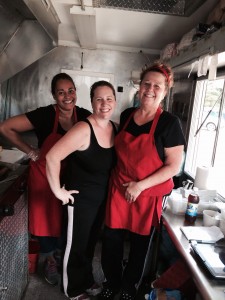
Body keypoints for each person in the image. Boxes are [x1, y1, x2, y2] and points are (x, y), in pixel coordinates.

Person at [99, 62, 186, 300]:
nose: (150, 89)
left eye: (157, 85)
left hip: (147, 194)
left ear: (165, 91)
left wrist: (140, 185)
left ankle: (129, 288)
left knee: (139, 246)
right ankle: (112, 282)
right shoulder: (127, 115)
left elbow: (174, 166)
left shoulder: (170, 124)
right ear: (139, 86)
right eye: (146, 83)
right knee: (111, 241)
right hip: (119, 188)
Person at [0, 73, 91, 285]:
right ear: (54, 95)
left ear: (76, 92)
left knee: (64, 219)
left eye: (71, 90)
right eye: (61, 92)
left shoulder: (85, 116)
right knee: (44, 219)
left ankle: (61, 255)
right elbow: (5, 127)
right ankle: (50, 258)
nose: (67, 96)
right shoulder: (44, 115)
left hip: (71, 178)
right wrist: (31, 151)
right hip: (43, 176)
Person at [45, 80, 117, 300]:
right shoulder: (83, 128)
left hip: (100, 200)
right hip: (80, 200)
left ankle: (85, 279)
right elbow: (52, 157)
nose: (104, 103)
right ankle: (72, 289)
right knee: (74, 246)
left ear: (115, 101)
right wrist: (59, 191)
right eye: (99, 99)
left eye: (109, 98)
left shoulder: (114, 127)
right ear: (92, 102)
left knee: (89, 244)